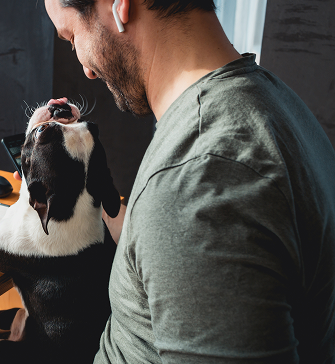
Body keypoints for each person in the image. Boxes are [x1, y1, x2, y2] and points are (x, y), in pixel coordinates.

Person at [41, 0, 335, 363]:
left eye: (72, 36)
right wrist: (77, 183)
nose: (85, 67)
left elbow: (187, 211)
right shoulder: (272, 101)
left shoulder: (200, 176)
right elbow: (159, 239)